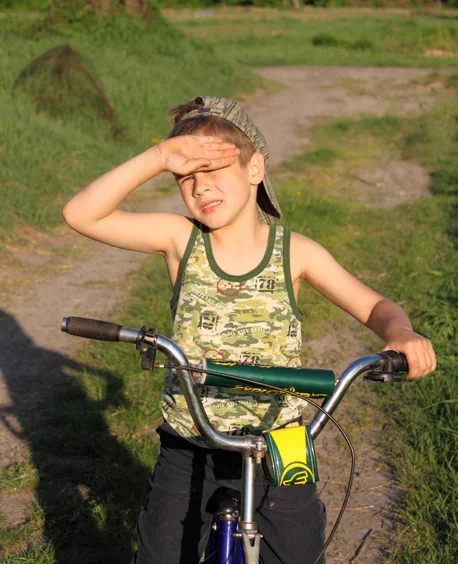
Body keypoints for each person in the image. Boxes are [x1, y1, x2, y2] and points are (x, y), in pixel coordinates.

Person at [62, 96, 436, 564]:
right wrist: (158, 157)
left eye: (213, 170)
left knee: (297, 552)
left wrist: (400, 332)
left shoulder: (296, 252)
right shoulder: (181, 240)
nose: (200, 188)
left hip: (281, 443)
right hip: (191, 441)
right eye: (185, 177)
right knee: (160, 554)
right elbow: (81, 214)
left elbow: (376, 306)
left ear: (254, 168)